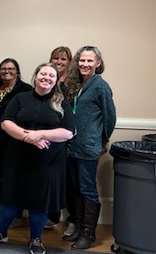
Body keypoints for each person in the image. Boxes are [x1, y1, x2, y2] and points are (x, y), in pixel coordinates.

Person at [0, 63, 75, 254]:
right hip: (17, 159)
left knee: (39, 202)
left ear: (56, 81)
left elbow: (67, 132)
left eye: (51, 75)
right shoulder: (20, 98)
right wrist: (29, 137)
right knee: (8, 198)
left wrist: (38, 135)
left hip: (48, 163)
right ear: (35, 76)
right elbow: (6, 123)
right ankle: (1, 232)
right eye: (43, 73)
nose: (46, 77)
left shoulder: (61, 102)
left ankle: (36, 239)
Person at [62, 46, 116, 250]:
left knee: (87, 189)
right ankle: (77, 228)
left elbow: (110, 117)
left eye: (89, 61)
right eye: (81, 61)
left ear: (98, 63)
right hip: (72, 146)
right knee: (75, 188)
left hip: (88, 147)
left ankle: (88, 233)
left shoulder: (100, 86)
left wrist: (103, 141)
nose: (84, 64)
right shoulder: (76, 84)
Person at [0, 58, 32, 225]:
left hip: (12, 144)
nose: (7, 71)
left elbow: (26, 116)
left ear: (17, 71)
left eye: (11, 68)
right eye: (3, 68)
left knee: (11, 181)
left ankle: (15, 215)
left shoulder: (25, 90)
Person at [45, 46, 73, 230]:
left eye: (63, 59)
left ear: (69, 62)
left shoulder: (74, 83)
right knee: (51, 179)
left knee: (70, 180)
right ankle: (52, 216)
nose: (59, 62)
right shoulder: (47, 79)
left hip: (70, 136)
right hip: (50, 136)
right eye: (56, 58)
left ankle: (72, 219)